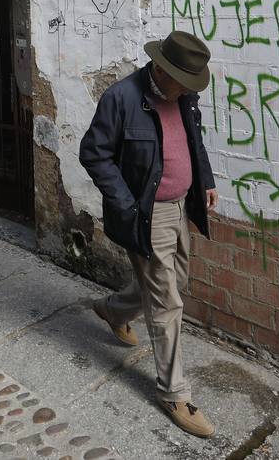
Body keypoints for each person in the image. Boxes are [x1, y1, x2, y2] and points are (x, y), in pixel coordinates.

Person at [79, 30, 219, 438]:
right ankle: (174, 392)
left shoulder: (183, 96)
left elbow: (194, 141)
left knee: (174, 283)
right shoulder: (121, 98)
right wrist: (126, 203)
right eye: (184, 81)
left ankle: (115, 309)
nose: (190, 90)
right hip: (146, 214)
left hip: (180, 208)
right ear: (162, 68)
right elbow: (94, 153)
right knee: (167, 301)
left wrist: (205, 179)